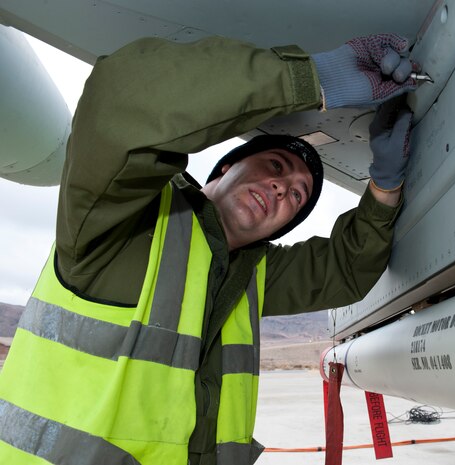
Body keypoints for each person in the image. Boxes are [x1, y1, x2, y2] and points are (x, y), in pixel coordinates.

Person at [0, 33, 415, 465]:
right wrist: (312, 79)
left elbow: (344, 269)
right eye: (276, 166)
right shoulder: (121, 220)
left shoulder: (252, 274)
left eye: (296, 197)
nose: (282, 187)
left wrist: (384, 185)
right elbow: (124, 102)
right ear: (225, 167)